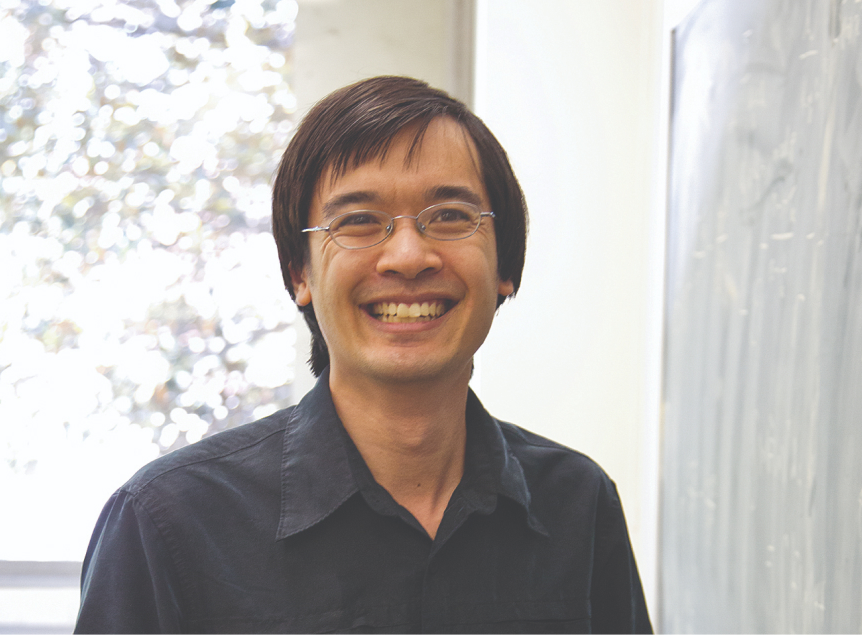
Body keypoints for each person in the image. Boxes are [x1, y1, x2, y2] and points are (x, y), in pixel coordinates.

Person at [75, 76, 652, 634]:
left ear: (504, 263)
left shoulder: (578, 504)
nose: (408, 256)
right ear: (300, 274)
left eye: (450, 216)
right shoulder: (169, 521)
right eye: (358, 222)